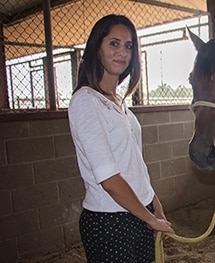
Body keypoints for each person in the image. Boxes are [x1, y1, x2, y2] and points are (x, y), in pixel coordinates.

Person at [68, 14, 175, 262]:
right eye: (114, 43)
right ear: (97, 49)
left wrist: (154, 205)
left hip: (139, 211)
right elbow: (108, 177)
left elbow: (136, 164)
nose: (123, 52)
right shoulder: (85, 101)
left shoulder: (119, 103)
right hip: (110, 221)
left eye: (129, 46)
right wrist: (149, 218)